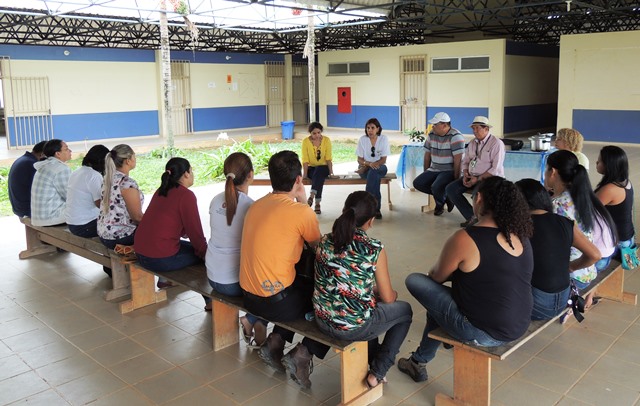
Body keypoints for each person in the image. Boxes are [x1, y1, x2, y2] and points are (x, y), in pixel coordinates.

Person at [398, 176, 533, 382]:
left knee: (416, 281)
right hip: (519, 323)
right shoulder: (520, 235)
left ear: (478, 198)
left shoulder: (466, 237)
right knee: (438, 305)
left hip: (483, 332)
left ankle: (419, 361)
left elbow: (436, 277)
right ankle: (418, 361)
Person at [239, 150, 328, 389]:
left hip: (248, 298)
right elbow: (319, 249)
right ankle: (302, 353)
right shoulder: (301, 212)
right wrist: (302, 199)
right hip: (275, 304)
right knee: (331, 303)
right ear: (298, 180)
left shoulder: (257, 206)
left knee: (294, 285)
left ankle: (276, 341)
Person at [313, 191, 412, 388]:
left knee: (371, 306)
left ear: (344, 212)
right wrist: (389, 294)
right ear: (371, 221)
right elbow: (388, 297)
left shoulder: (325, 240)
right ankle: (378, 371)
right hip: (352, 327)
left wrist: (366, 290)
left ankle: (373, 362)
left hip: (321, 318)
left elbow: (338, 277)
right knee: (404, 311)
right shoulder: (373, 248)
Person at [516, 179, 600, 320]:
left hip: (536, 305)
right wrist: (572, 267)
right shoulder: (565, 222)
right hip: (562, 299)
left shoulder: (520, 227)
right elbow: (595, 255)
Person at [206, 152, 266, 345]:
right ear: (250, 175)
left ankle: (256, 322)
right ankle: (251, 319)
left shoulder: (215, 200)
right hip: (233, 283)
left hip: (213, 276)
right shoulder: (251, 207)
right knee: (274, 289)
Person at [544, 150, 617, 308]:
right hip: (588, 273)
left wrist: (569, 267)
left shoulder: (557, 205)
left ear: (553, 172)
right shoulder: (581, 196)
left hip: (572, 276)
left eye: (546, 168)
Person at [134, 157, 207, 295]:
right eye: (191, 171)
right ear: (186, 173)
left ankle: (164, 280)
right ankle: (210, 300)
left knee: (189, 248)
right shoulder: (186, 195)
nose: (192, 174)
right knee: (203, 257)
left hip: (140, 252)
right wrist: (206, 254)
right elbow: (196, 234)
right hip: (159, 259)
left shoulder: (161, 190)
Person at [445, 116, 505, 228]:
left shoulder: (496, 144)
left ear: (486, 129)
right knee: (451, 189)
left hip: (490, 179)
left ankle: (481, 220)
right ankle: (472, 217)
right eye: (473, 128)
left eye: (477, 128)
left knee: (477, 195)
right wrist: (465, 173)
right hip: (473, 176)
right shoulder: (472, 143)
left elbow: (495, 169)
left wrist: (477, 179)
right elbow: (466, 161)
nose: (474, 131)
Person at [412, 112, 465, 216]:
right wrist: (426, 172)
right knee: (418, 183)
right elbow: (427, 155)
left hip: (448, 170)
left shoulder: (456, 136)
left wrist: (455, 180)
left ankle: (439, 206)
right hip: (434, 169)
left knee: (436, 186)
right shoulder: (431, 134)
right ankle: (446, 197)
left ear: (445, 125)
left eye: (435, 124)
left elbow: (458, 161)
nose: (433, 126)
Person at [98, 144, 143, 249]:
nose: (135, 159)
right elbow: (137, 217)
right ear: (128, 160)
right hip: (122, 237)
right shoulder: (127, 183)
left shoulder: (108, 178)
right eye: (134, 156)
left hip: (104, 234)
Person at [594, 146, 635, 260]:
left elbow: (587, 209)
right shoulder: (624, 181)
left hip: (617, 241)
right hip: (627, 236)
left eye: (600, 160)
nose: (596, 162)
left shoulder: (611, 189)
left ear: (609, 165)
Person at [65, 145, 110, 238]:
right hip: (84, 226)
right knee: (124, 226)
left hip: (72, 223)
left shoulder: (76, 172)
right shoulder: (94, 175)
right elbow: (100, 204)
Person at [31, 139, 73, 226]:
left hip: (38, 217)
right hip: (50, 218)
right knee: (91, 210)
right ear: (58, 154)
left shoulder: (44, 165)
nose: (70, 151)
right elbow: (70, 196)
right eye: (66, 149)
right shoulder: (61, 169)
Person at [356, 118, 391, 219]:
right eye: (368, 128)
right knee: (373, 175)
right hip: (365, 167)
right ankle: (376, 209)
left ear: (378, 129)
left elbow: (383, 159)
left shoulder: (383, 139)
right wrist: (368, 164)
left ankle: (367, 205)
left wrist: (372, 165)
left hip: (380, 167)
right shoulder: (363, 139)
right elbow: (359, 159)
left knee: (373, 172)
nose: (370, 130)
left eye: (372, 128)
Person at [302, 121, 335, 214]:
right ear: (310, 133)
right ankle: (317, 204)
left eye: (319, 133)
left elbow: (328, 158)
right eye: (314, 133)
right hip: (311, 169)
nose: (317, 135)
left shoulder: (326, 140)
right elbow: (305, 160)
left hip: (324, 168)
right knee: (318, 177)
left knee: (319, 171)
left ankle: (311, 196)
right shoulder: (305, 142)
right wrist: (304, 175)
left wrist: (331, 173)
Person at [8, 141, 46, 218]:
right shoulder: (31, 164)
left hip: (19, 208)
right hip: (27, 210)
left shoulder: (24, 159)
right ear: (42, 155)